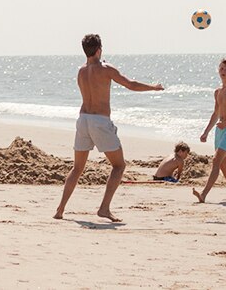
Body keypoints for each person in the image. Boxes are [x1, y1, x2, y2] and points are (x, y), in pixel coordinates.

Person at [54, 34, 164, 222]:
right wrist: (153, 88)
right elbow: (131, 84)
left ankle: (60, 209)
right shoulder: (106, 69)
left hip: (83, 120)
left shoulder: (80, 71)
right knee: (119, 166)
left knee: (77, 168)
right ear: (99, 50)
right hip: (100, 121)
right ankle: (104, 208)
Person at [194, 59, 226, 203]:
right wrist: (206, 132)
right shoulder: (218, 91)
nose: (223, 72)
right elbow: (215, 113)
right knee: (223, 164)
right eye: (221, 69)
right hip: (220, 129)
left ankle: (203, 194)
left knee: (216, 160)